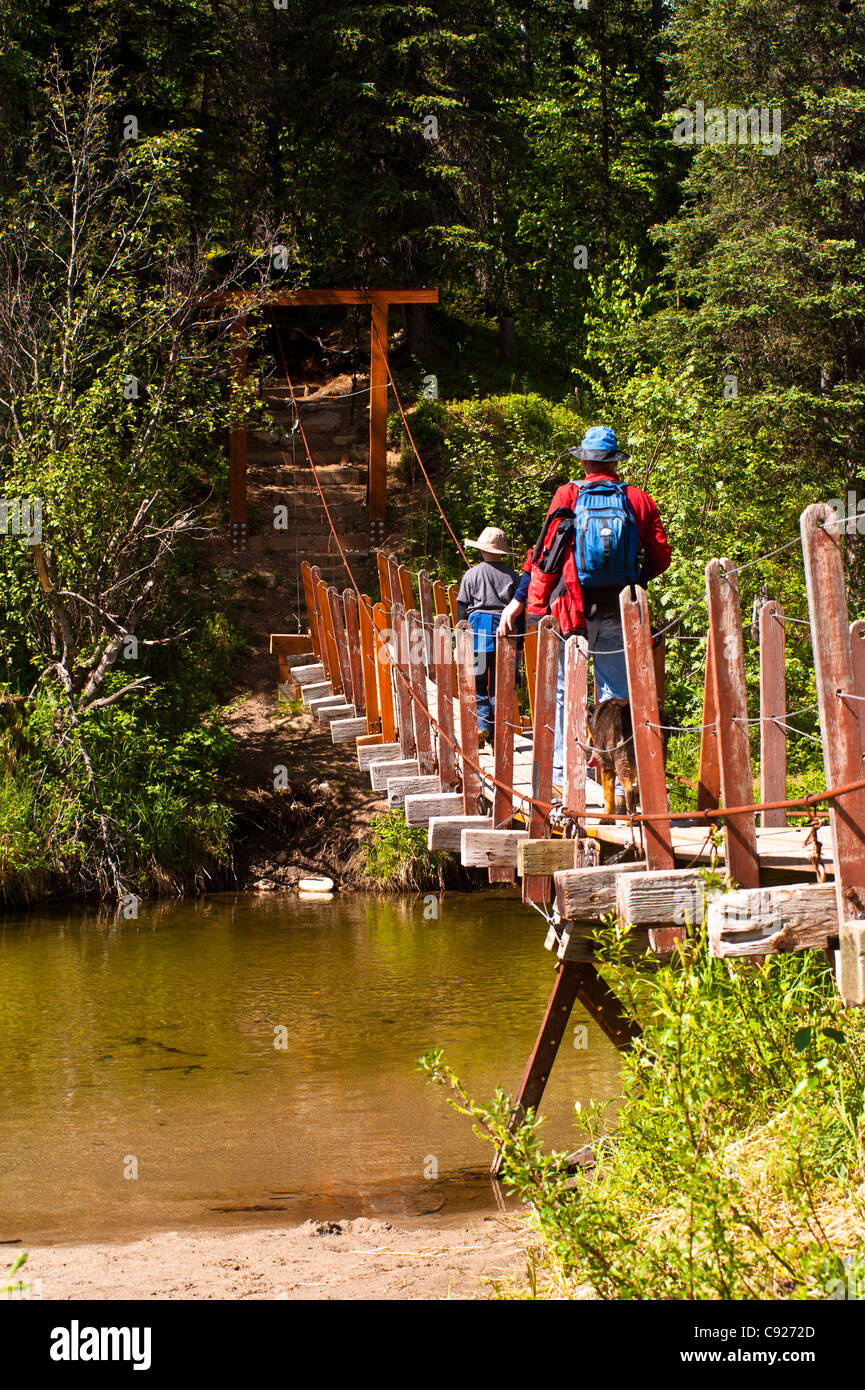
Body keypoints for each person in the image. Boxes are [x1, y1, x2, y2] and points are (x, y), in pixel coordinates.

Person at [499, 425, 671, 789]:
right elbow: (660, 555)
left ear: (585, 462)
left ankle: (563, 773)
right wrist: (637, 578)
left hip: (571, 609)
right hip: (620, 607)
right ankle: (612, 772)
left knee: (566, 692)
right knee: (615, 696)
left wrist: (520, 600)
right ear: (614, 463)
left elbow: (545, 551)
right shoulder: (638, 500)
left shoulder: (568, 494)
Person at [456, 525, 519, 745]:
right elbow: (519, 610)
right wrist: (518, 643)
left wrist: (460, 638)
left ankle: (482, 724)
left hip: (478, 631)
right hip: (505, 630)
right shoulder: (513, 576)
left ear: (482, 550)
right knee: (501, 683)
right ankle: (500, 729)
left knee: (478, 680)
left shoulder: (471, 574)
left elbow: (462, 607)